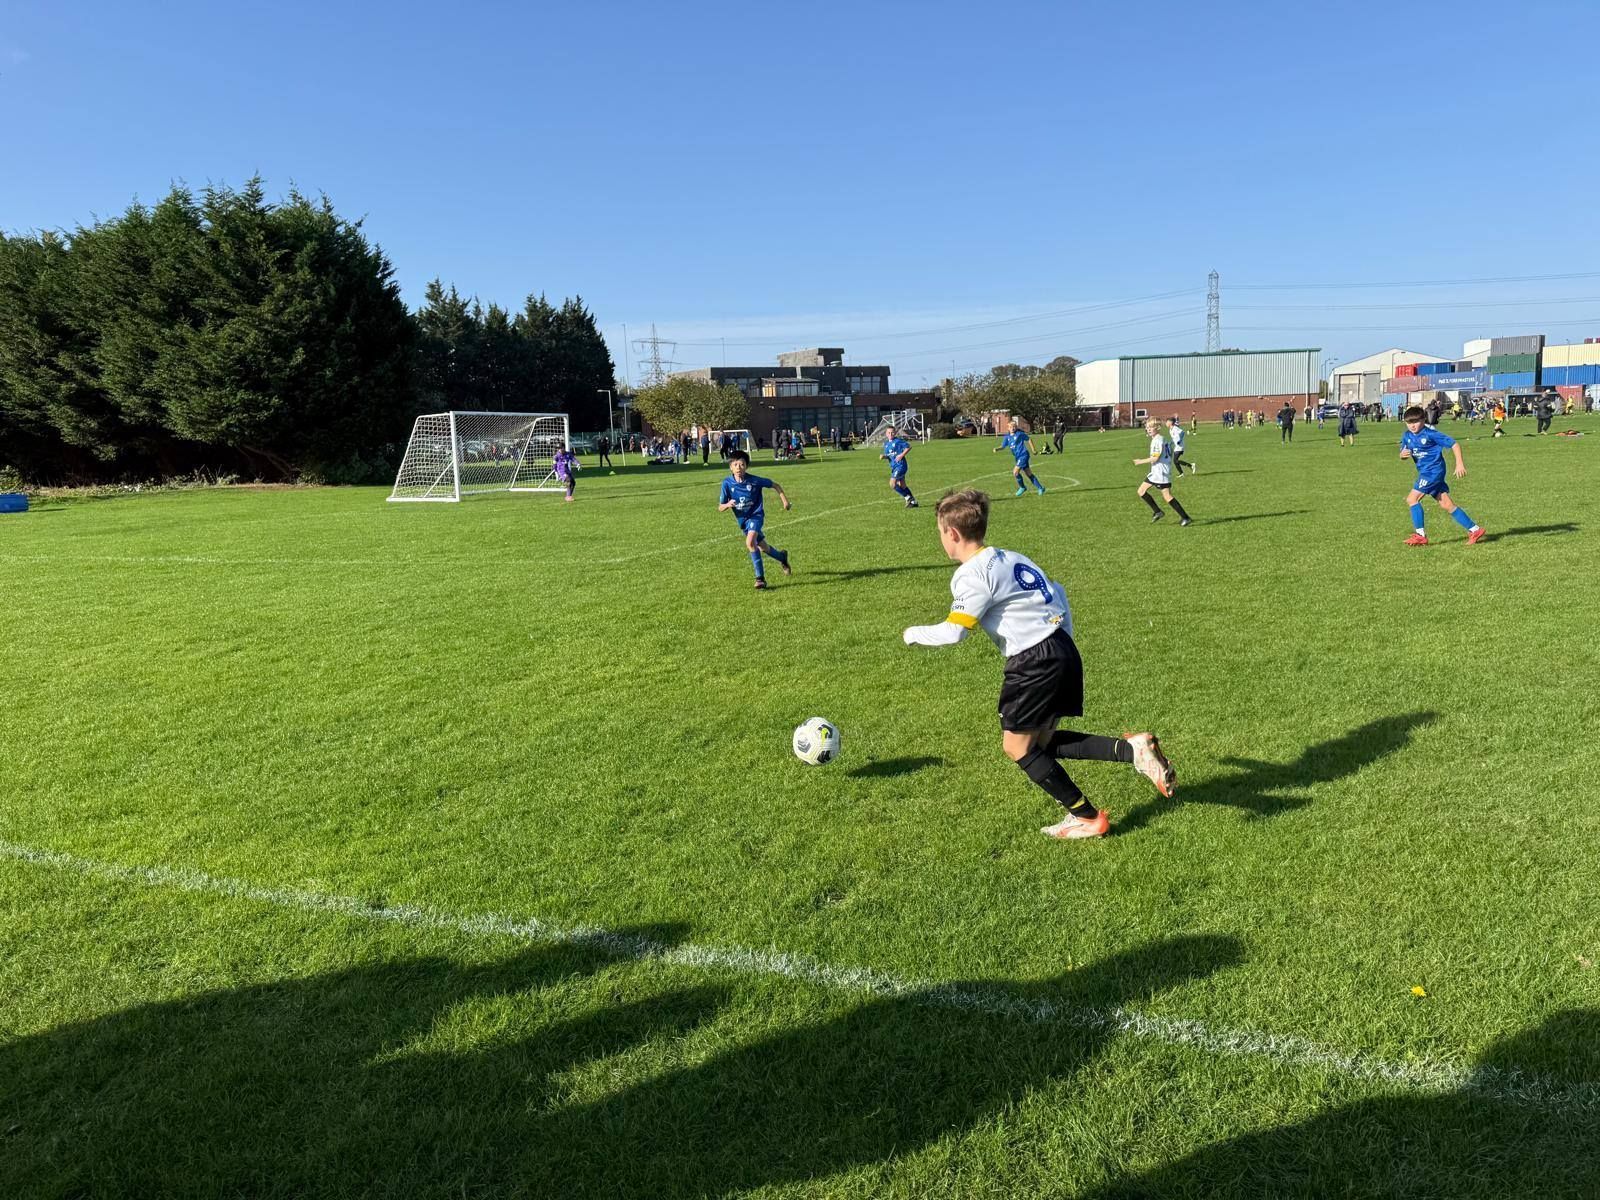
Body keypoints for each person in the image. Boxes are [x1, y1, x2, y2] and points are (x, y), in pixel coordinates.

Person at [901, 489, 1175, 840]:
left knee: (1016, 747)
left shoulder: (971, 574)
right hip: (1062, 647)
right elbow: (1058, 592)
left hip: (1033, 661)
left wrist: (912, 633)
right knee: (1041, 744)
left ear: (951, 534)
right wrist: (1065, 645)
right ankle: (1133, 750)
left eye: (940, 533)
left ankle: (1088, 818)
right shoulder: (1011, 557)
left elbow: (955, 632)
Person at [1399, 405, 1485, 546]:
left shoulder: (1430, 434)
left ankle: (1420, 535)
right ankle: (1475, 530)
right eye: (1409, 423)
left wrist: (1459, 464)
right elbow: (1403, 453)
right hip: (1425, 471)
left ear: (1423, 420)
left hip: (1433, 472)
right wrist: (1402, 455)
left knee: (1412, 499)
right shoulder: (1407, 436)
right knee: (1446, 504)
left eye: (1416, 422)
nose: (1412, 426)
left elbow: (1454, 444)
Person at [717, 450, 793, 589]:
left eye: (742, 464)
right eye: (735, 465)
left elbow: (776, 485)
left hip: (756, 516)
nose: (739, 468)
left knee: (750, 542)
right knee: (763, 547)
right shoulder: (727, 483)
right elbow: (720, 507)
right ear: (731, 467)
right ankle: (782, 557)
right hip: (743, 522)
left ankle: (760, 579)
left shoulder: (754, 481)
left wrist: (785, 502)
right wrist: (727, 505)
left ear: (746, 466)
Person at [1135, 418, 1192, 526]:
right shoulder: (1163, 439)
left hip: (1160, 473)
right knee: (1141, 491)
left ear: (1157, 428)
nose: (1148, 429)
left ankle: (1185, 517)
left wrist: (1140, 461)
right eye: (1147, 427)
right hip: (1156, 472)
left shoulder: (1157, 440)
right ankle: (1158, 511)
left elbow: (1155, 458)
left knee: (1167, 496)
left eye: (1151, 427)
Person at [992, 416, 1047, 497]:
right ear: (1008, 428)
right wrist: (997, 449)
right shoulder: (1007, 437)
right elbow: (1003, 446)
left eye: (1014, 426)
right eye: (1011, 427)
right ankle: (1040, 488)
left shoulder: (1019, 434)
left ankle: (1022, 487)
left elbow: (1029, 439)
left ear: (1016, 427)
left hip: (1023, 454)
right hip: (1017, 457)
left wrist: (1033, 450)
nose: (1013, 428)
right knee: (1029, 473)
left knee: (1015, 472)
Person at [880, 425, 919, 509]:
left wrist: (902, 455)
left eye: (892, 432)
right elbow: (890, 455)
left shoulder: (897, 441)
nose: (891, 434)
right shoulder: (886, 444)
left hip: (901, 465)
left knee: (892, 484)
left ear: (895, 433)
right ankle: (913, 502)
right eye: (889, 432)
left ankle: (908, 498)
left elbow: (908, 446)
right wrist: (884, 457)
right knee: (902, 485)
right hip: (894, 467)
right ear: (886, 434)